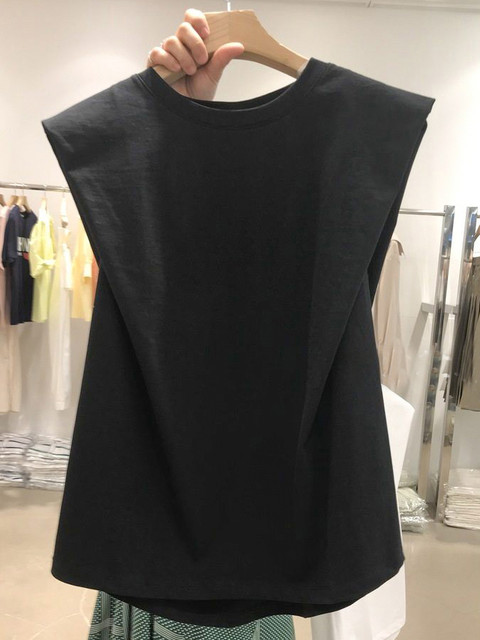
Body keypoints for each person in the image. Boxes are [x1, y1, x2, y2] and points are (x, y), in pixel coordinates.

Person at [88, 8, 297, 640]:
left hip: (248, 514)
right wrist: (172, 121)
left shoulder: (306, 194)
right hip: (158, 497)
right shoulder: (157, 208)